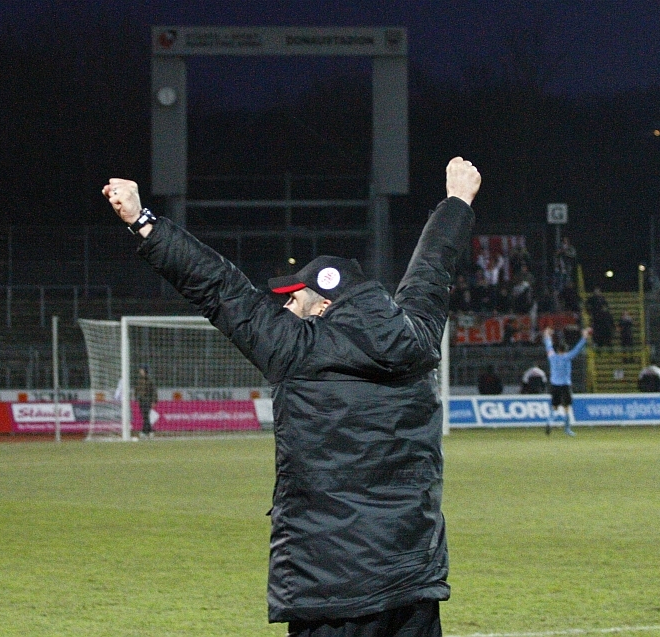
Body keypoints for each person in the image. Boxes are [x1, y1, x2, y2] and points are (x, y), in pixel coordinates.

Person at [102, 156, 480, 636]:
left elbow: (219, 288)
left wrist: (143, 221)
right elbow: (431, 270)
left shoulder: (296, 348)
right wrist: (456, 202)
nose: (284, 305)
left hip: (330, 588)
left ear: (324, 305)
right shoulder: (419, 338)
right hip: (413, 584)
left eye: (294, 299)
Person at [543, 325, 592, 436]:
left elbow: (548, 346)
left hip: (554, 385)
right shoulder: (567, 357)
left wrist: (547, 335)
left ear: (557, 350)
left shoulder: (552, 356)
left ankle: (550, 422)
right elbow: (577, 349)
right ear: (565, 350)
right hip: (565, 385)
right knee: (566, 408)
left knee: (554, 406)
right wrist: (584, 337)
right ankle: (567, 429)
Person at [136, 365, 158, 438]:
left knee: (146, 416)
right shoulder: (139, 380)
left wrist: (154, 401)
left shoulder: (150, 380)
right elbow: (137, 390)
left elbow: (154, 391)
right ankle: (150, 431)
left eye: (142, 370)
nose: (140, 371)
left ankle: (145, 432)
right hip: (141, 400)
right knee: (145, 416)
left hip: (148, 400)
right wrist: (137, 397)